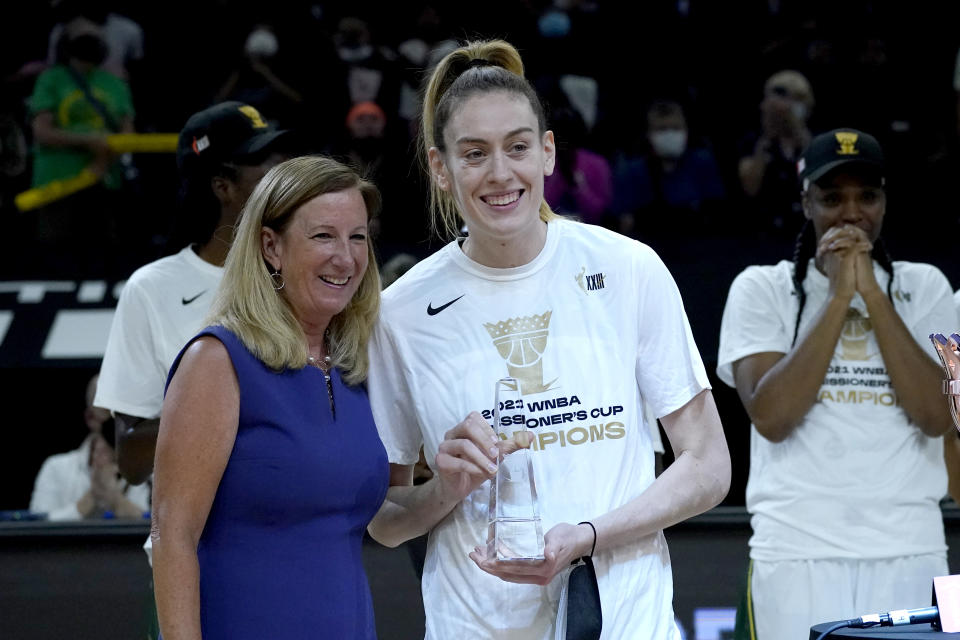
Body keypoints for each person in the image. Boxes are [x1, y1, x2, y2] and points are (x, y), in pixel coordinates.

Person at [365, 39, 731, 639]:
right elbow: (384, 519)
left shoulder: (627, 269)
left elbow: (709, 464)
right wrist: (446, 490)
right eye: (474, 154)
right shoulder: (401, 312)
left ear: (548, 152)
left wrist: (588, 536)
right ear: (440, 167)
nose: (500, 173)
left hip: (626, 622)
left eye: (517, 147)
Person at [718, 128, 956, 640]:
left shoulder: (927, 287)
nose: (851, 214)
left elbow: (938, 417)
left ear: (886, 202)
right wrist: (834, 298)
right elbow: (772, 417)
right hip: (796, 549)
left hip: (910, 548)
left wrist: (870, 293)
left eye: (867, 197)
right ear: (806, 204)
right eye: (831, 198)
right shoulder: (762, 288)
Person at [151, 155, 388, 639]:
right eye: (323, 236)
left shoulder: (353, 368)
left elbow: (374, 516)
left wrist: (450, 485)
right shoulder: (216, 360)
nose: (346, 257)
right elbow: (172, 537)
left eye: (357, 236)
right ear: (270, 247)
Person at [95, 101, 291, 487]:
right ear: (223, 186)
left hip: (303, 533)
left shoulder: (305, 272)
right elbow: (131, 458)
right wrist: (235, 406)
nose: (284, 175)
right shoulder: (151, 289)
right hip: (195, 543)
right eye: (265, 166)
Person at [29, 374, 150, 520]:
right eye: (109, 414)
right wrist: (91, 497)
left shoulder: (153, 471)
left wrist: (117, 502)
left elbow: (163, 530)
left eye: (123, 414)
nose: (118, 424)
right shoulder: (56, 468)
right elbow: (36, 529)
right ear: (90, 418)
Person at [613, 99, 726, 237]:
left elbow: (717, 214)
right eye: (662, 129)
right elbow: (625, 222)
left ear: (686, 130)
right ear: (649, 133)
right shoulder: (633, 172)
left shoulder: (702, 163)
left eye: (676, 128)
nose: (670, 134)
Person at [737, 70, 814, 233]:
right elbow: (750, 188)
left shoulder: (816, 142)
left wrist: (798, 132)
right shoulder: (752, 142)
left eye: (795, 100)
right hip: (763, 231)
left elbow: (817, 182)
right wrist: (767, 136)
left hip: (805, 228)